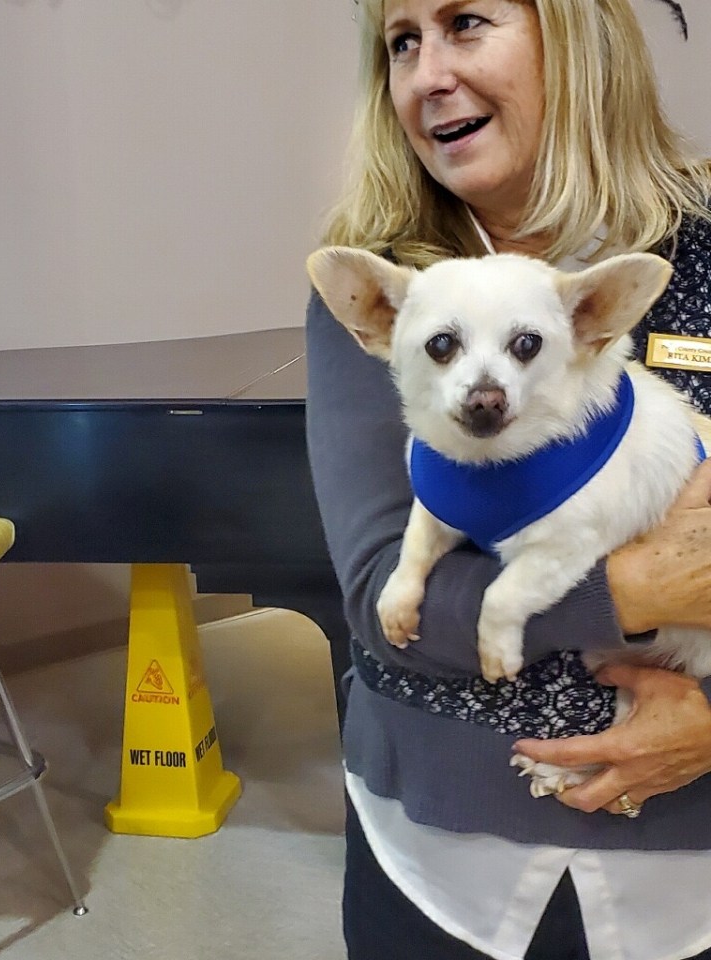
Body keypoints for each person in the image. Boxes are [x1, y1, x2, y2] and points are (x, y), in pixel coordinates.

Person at [305, 1, 711, 958]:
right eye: (402, 41)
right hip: (440, 857)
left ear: (577, 32)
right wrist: (641, 588)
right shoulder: (383, 289)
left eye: (466, 22)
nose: (426, 74)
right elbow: (380, 597)